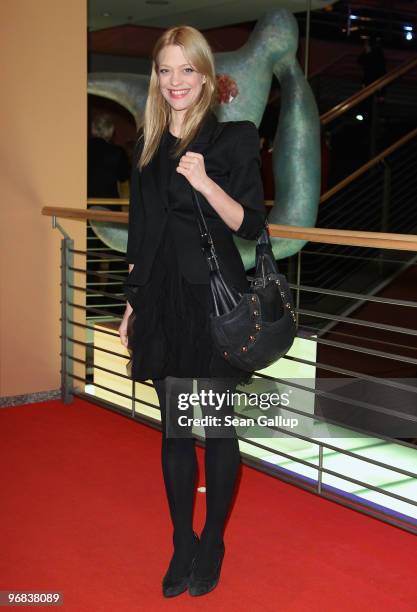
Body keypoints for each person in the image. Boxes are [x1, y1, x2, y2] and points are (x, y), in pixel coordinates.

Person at [118, 24, 266, 598]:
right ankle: (182, 539)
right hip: (162, 302)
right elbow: (142, 230)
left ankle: (214, 540)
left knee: (219, 430)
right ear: (156, 77)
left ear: (204, 75)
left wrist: (205, 183)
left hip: (213, 300)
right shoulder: (147, 143)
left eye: (185, 69)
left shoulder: (232, 140)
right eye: (164, 69)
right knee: (176, 433)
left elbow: (251, 225)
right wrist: (132, 303)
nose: (174, 81)